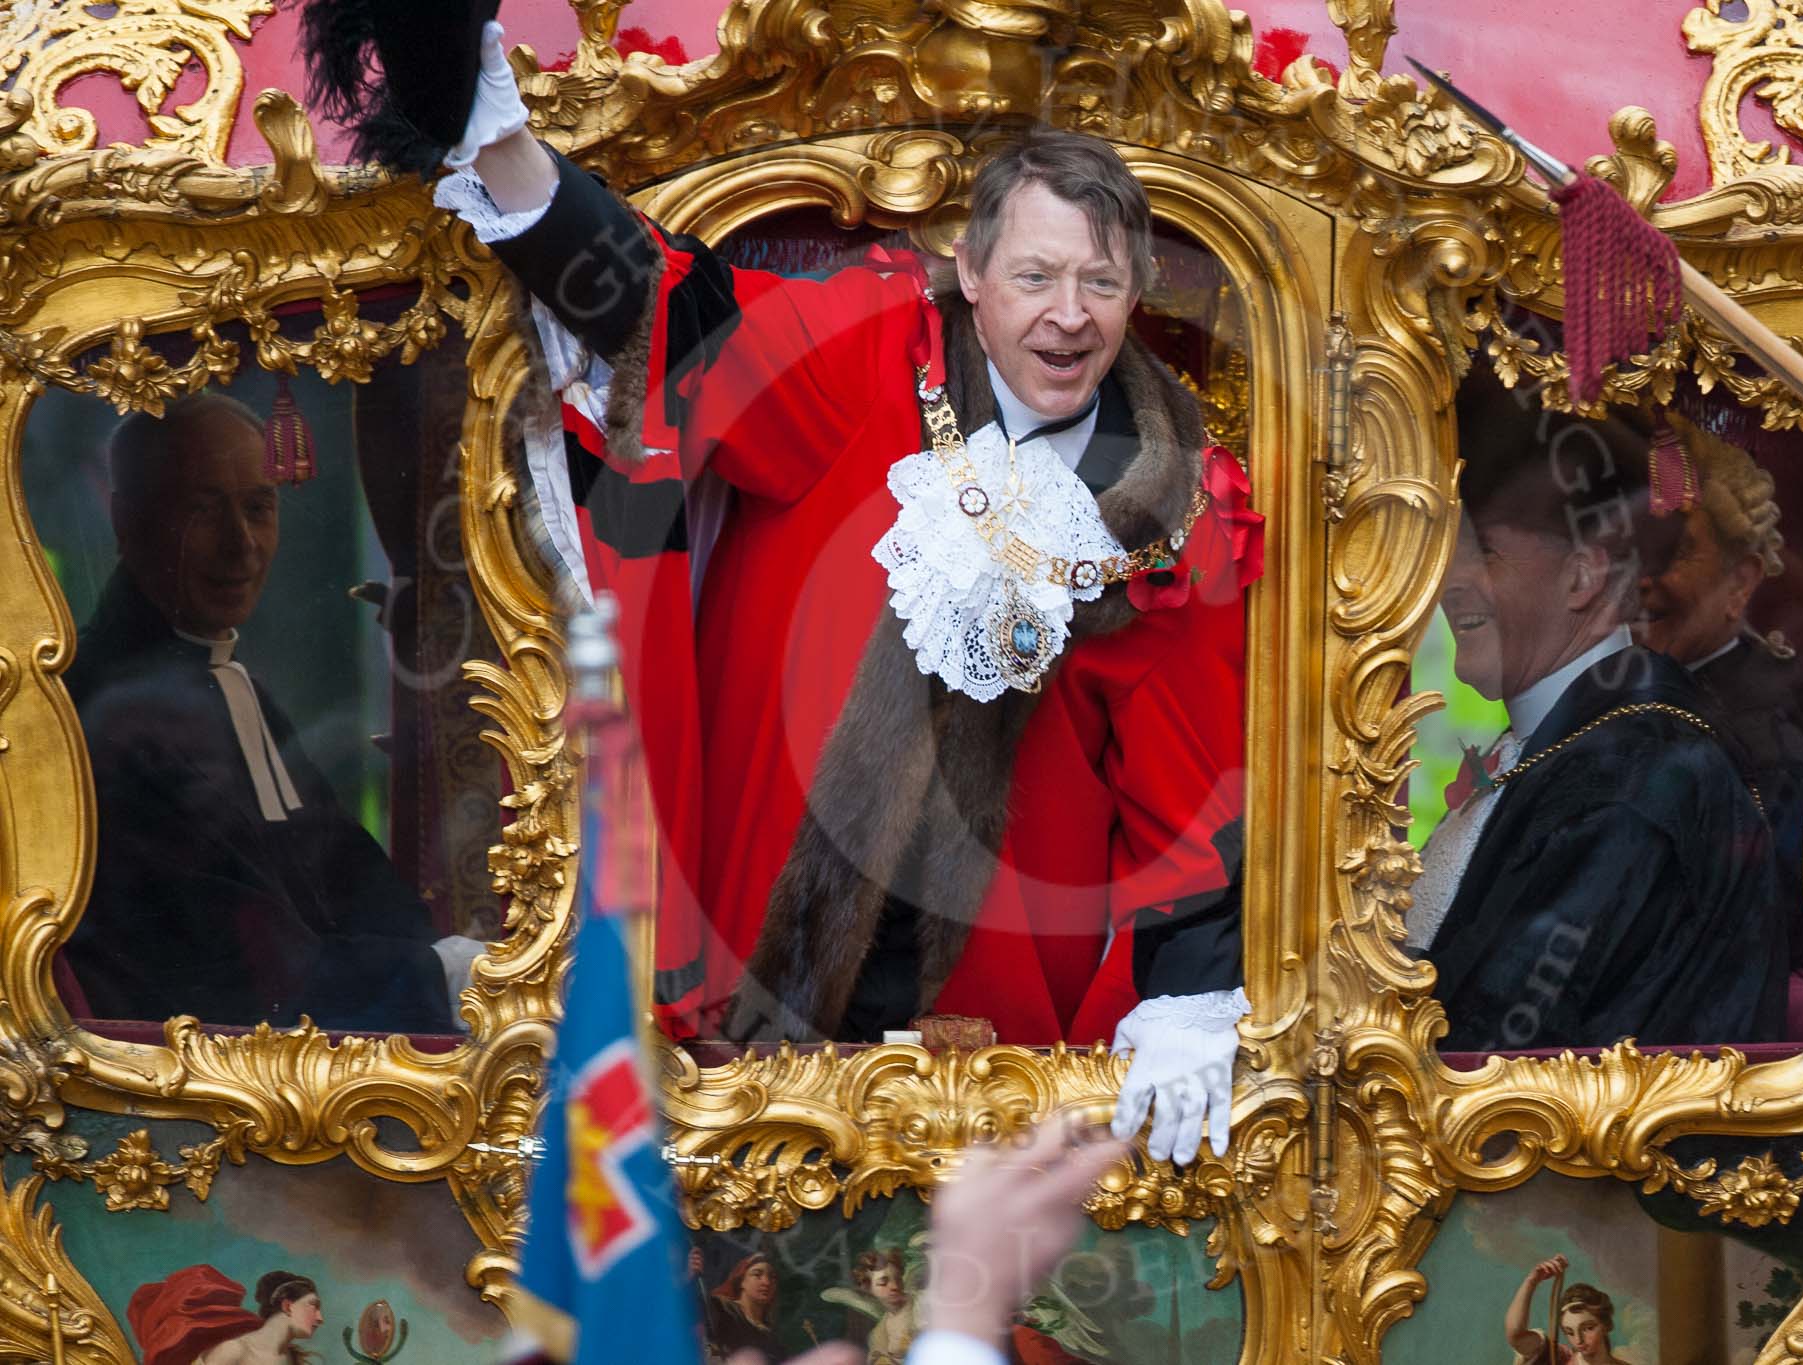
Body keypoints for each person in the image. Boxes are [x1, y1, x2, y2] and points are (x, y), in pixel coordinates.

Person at [300, 7, 1257, 1162]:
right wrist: (504, 148)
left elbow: (1191, 777)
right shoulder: (860, 359)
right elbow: (673, 311)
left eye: (1098, 283)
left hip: (999, 1040)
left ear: (1137, 288)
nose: (1067, 315)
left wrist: (1191, 999)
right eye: (1036, 275)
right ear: (970, 271)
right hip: (760, 1001)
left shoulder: (1180, 501)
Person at [61, 394, 480, 1033]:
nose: (243, 545)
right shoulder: (113, 712)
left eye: (259, 508)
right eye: (201, 509)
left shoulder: (229, 683)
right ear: (129, 518)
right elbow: (241, 969)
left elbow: (342, 863)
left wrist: (443, 963)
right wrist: (440, 978)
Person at [1407, 375, 1786, 1051]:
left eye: (1483, 553)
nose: (1447, 582)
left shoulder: (1630, 784)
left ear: (1583, 577)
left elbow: (1495, 1055)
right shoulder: (1582, 736)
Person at [1633, 412, 1803, 1033]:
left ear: (1741, 583)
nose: (1639, 579)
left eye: (1674, 551)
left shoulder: (1769, 744)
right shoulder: (1635, 687)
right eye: (1627, 546)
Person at [127, 1266, 324, 1365]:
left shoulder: (290, 1358)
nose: (320, 1318)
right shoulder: (233, 1350)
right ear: (288, 1306)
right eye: (313, 1307)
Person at [1504, 1258, 1633, 1365]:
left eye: (1587, 1328)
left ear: (1605, 1325)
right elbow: (1516, 1336)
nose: (1578, 1340)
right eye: (1570, 1332)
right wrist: (1531, 1281)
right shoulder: (1558, 1358)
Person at [704, 1254, 786, 1363]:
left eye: (772, 1277)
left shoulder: (771, 1337)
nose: (767, 1282)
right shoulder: (720, 1308)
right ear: (741, 1281)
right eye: (757, 1275)